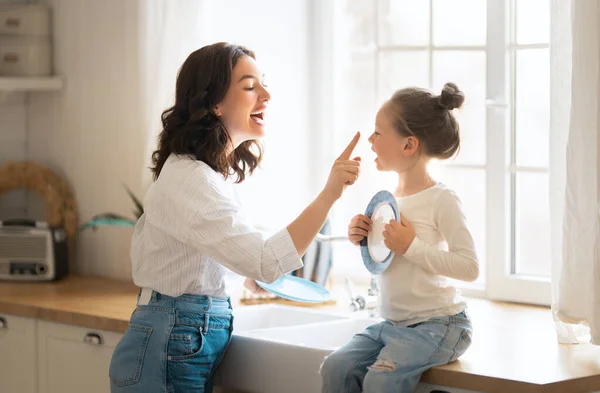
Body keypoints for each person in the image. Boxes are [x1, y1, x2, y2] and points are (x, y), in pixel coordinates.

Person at [108, 42, 362, 393]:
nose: (267, 94)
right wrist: (330, 193)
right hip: (172, 339)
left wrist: (246, 273)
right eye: (249, 86)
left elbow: (209, 257)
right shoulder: (191, 178)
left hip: (182, 335)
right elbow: (266, 261)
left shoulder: (209, 177)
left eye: (263, 83)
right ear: (214, 103)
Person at [320, 83, 479, 393]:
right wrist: (363, 238)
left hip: (440, 325)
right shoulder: (389, 201)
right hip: (394, 325)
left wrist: (411, 246)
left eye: (378, 133)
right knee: (335, 367)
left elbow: (470, 267)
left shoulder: (441, 198)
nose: (370, 140)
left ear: (409, 145)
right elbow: (389, 261)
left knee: (381, 380)